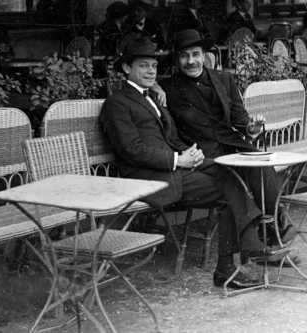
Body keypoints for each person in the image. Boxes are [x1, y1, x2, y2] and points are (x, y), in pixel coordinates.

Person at [99, 37, 266, 289]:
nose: (150, 71)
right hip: (148, 178)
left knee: (232, 175)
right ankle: (236, 261)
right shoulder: (117, 104)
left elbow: (171, 137)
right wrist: (179, 160)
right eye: (143, 66)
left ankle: (242, 256)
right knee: (227, 190)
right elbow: (131, 150)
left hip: (172, 169)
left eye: (153, 67)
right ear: (126, 69)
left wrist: (190, 153)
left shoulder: (153, 98)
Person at [159, 29, 295, 246]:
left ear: (204, 55)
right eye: (184, 56)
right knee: (236, 178)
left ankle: (276, 224)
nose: (191, 61)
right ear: (177, 59)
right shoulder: (167, 88)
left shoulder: (224, 79)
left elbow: (241, 119)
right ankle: (266, 239)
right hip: (203, 152)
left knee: (260, 162)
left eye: (195, 54)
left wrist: (251, 128)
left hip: (231, 144)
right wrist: (156, 88)